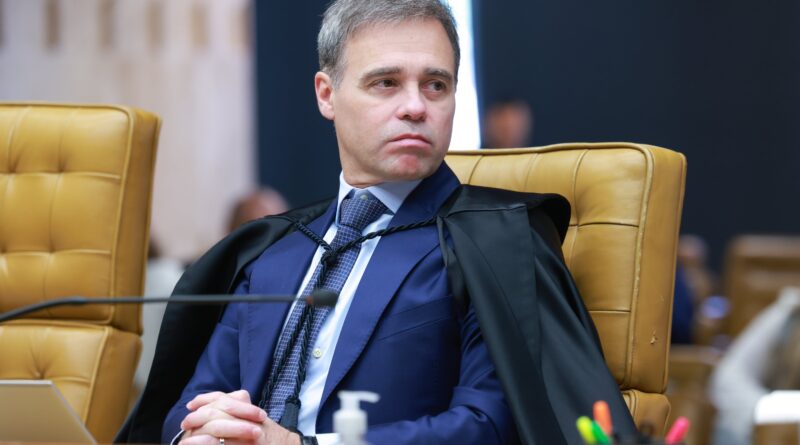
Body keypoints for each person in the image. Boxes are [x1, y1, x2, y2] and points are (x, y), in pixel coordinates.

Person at [116, 1, 635, 444]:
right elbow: (187, 405)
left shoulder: (497, 242)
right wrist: (201, 434)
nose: (415, 107)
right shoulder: (274, 252)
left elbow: (489, 425)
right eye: (386, 83)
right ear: (326, 95)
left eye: (436, 85)